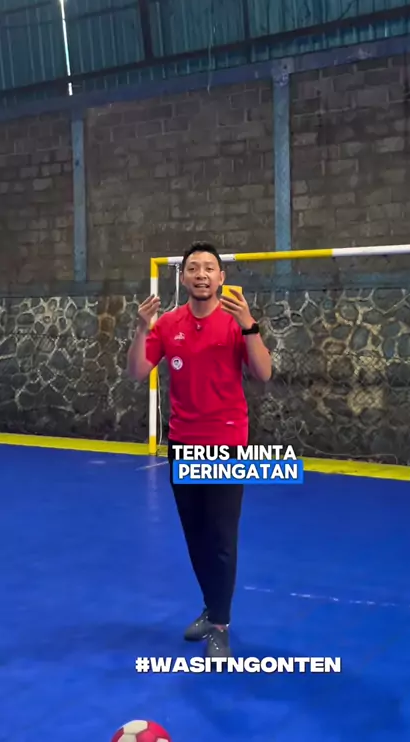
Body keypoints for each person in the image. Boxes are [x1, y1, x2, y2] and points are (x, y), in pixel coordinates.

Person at [127, 242, 272, 659]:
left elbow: (263, 373)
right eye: (194, 268)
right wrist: (142, 329)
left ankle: (220, 625)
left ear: (221, 278)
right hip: (183, 444)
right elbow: (137, 372)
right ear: (183, 277)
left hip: (226, 445)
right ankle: (212, 607)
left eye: (209, 268)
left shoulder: (235, 322)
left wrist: (250, 326)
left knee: (222, 536)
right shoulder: (168, 323)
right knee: (196, 535)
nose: (201, 274)